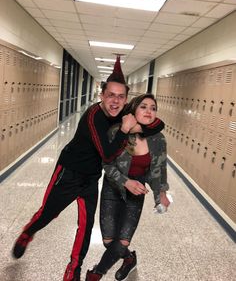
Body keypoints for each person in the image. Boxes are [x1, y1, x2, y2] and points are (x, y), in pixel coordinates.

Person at [12, 57, 165, 281]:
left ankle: (73, 270)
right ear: (102, 95)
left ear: (126, 99)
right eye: (111, 95)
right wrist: (124, 129)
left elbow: (157, 124)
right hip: (69, 172)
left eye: (121, 96)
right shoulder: (93, 117)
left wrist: (139, 124)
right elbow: (107, 154)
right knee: (49, 213)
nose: (115, 101)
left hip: (91, 179)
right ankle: (28, 232)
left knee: (85, 225)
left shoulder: (122, 114)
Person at [86, 93, 170, 281]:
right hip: (112, 188)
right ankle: (129, 259)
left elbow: (159, 170)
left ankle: (96, 273)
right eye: (143, 106)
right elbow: (107, 164)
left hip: (136, 191)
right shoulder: (118, 131)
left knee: (123, 240)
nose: (149, 111)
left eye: (153, 108)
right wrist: (126, 182)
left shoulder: (158, 139)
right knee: (109, 241)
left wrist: (160, 194)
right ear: (133, 109)